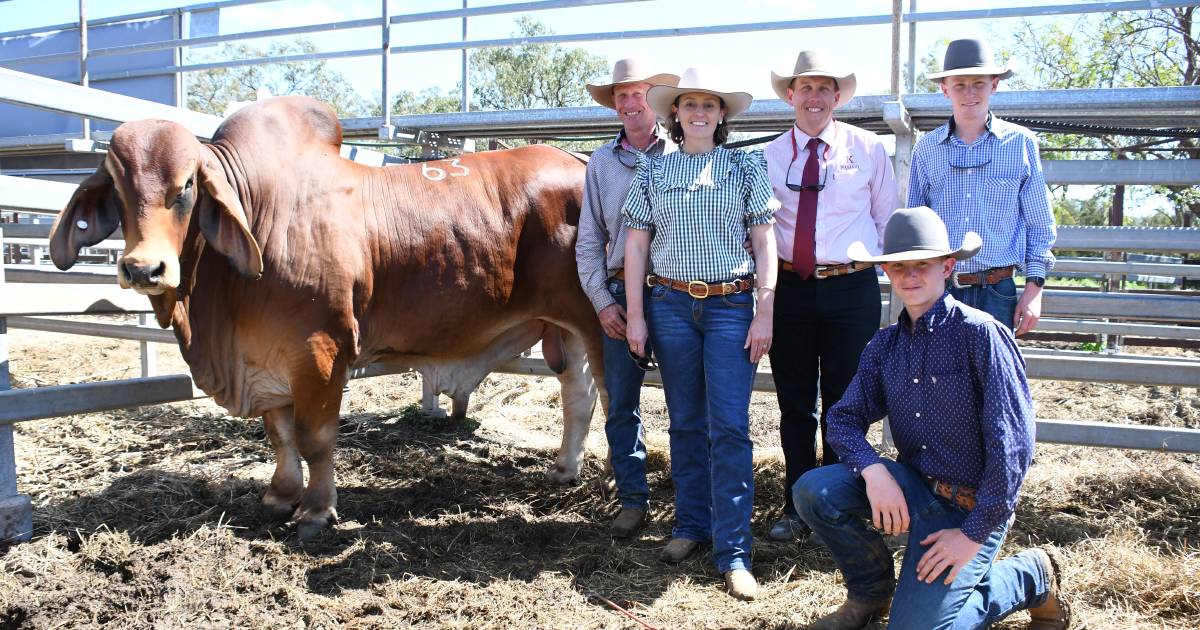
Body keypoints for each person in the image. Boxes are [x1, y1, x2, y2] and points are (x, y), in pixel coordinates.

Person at [792, 206, 1071, 630]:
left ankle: (1028, 575)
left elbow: (1012, 446)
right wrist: (873, 471)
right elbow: (843, 419)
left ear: (948, 266)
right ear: (886, 271)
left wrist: (971, 536)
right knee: (814, 490)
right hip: (915, 487)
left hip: (972, 507)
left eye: (921, 264)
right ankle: (871, 591)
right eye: (898, 266)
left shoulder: (981, 334)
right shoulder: (885, 345)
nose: (909, 276)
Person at [623, 67, 779, 601]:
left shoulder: (744, 166)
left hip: (731, 305)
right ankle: (691, 525)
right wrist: (638, 315)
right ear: (675, 112)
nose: (698, 113)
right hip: (669, 304)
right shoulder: (652, 171)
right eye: (689, 104)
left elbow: (764, 244)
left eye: (709, 105)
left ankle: (734, 550)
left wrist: (765, 309)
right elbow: (637, 247)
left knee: (730, 426)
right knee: (686, 421)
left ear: (722, 115)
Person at [762, 50, 897, 542]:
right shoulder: (771, 156)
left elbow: (887, 220)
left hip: (851, 286)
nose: (814, 96)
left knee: (844, 401)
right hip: (791, 288)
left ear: (837, 97)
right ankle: (797, 504)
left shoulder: (867, 149)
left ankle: (835, 506)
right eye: (805, 88)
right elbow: (760, 229)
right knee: (795, 401)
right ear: (791, 96)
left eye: (824, 88)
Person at [577, 58, 680, 539]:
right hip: (621, 287)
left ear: (653, 99)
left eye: (638, 93)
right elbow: (587, 238)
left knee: (687, 401)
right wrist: (601, 301)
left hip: (678, 288)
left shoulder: (683, 152)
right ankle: (633, 498)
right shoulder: (600, 163)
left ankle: (690, 500)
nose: (629, 103)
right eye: (621, 95)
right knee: (621, 400)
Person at [908, 38, 1057, 336]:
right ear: (945, 88)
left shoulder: (1020, 144)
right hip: (941, 289)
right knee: (937, 380)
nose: (970, 92)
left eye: (978, 82)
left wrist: (1034, 288)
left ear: (995, 85)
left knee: (993, 379)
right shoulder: (926, 149)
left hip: (997, 289)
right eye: (959, 84)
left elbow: (1039, 223)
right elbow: (915, 227)